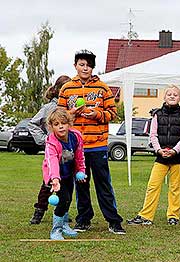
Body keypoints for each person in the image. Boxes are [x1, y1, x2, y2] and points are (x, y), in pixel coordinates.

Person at [58, 49, 126, 234]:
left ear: (93, 68)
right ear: (75, 66)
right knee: (81, 184)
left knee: (103, 183)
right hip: (76, 146)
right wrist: (72, 113)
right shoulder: (66, 89)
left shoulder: (103, 88)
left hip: (98, 145)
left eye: (88, 65)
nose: (85, 68)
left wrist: (96, 114)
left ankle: (113, 221)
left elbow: (113, 113)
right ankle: (83, 219)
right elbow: (59, 117)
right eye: (81, 64)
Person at [127, 85, 180, 226]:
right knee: (153, 186)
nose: (172, 96)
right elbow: (153, 135)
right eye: (169, 94)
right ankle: (146, 216)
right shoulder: (157, 114)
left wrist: (175, 150)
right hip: (161, 156)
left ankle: (173, 215)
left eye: (175, 94)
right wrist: (159, 150)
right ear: (164, 97)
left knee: (175, 188)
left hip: (178, 157)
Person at [29, 75, 71, 224]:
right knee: (48, 182)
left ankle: (62, 212)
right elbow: (32, 124)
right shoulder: (48, 108)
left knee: (66, 183)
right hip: (53, 152)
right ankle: (39, 212)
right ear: (59, 90)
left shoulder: (70, 107)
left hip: (67, 153)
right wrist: (44, 140)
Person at [42, 108, 86, 240]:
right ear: (51, 127)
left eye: (63, 123)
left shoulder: (75, 137)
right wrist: (55, 179)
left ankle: (65, 224)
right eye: (56, 124)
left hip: (68, 174)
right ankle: (56, 230)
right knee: (63, 199)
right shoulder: (51, 142)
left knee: (68, 199)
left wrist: (81, 171)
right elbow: (52, 161)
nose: (60, 127)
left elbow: (79, 156)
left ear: (69, 123)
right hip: (55, 175)